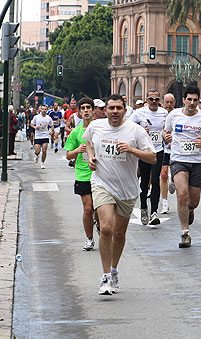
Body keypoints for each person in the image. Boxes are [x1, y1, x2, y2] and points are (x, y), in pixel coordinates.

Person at [84, 94, 156, 295]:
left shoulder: (135, 130)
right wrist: (91, 157)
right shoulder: (96, 126)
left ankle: (114, 271)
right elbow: (88, 142)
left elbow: (152, 157)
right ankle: (105, 277)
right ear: (105, 110)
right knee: (106, 228)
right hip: (102, 183)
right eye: (111, 108)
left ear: (125, 110)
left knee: (119, 233)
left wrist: (132, 150)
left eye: (118, 108)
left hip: (127, 188)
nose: (114, 111)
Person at [163, 86, 201, 248]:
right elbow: (165, 132)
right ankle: (184, 233)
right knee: (182, 195)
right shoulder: (173, 115)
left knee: (193, 201)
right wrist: (165, 136)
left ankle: (190, 210)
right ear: (184, 100)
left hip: (198, 161)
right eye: (189, 99)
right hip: (178, 159)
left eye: (195, 100)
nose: (192, 103)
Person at [129, 89, 168, 226]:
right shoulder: (139, 113)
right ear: (146, 100)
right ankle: (144, 207)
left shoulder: (164, 113)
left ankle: (154, 212)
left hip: (158, 150)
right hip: (144, 151)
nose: (154, 102)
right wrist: (140, 131)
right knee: (144, 182)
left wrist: (165, 134)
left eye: (156, 99)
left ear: (160, 101)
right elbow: (128, 128)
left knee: (156, 180)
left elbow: (168, 129)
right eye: (151, 99)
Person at [64, 97, 99, 251]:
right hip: (83, 175)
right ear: (79, 112)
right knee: (88, 208)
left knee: (98, 209)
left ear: (93, 110)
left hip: (100, 174)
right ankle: (89, 238)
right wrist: (77, 150)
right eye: (83, 108)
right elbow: (68, 155)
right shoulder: (76, 132)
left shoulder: (101, 129)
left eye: (88, 108)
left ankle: (98, 223)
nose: (86, 110)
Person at [159, 93, 176, 214]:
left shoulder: (178, 115)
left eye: (171, 102)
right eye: (167, 102)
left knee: (175, 175)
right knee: (163, 174)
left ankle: (173, 181)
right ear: (163, 102)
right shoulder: (159, 114)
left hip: (176, 150)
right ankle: (164, 203)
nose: (169, 105)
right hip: (163, 149)